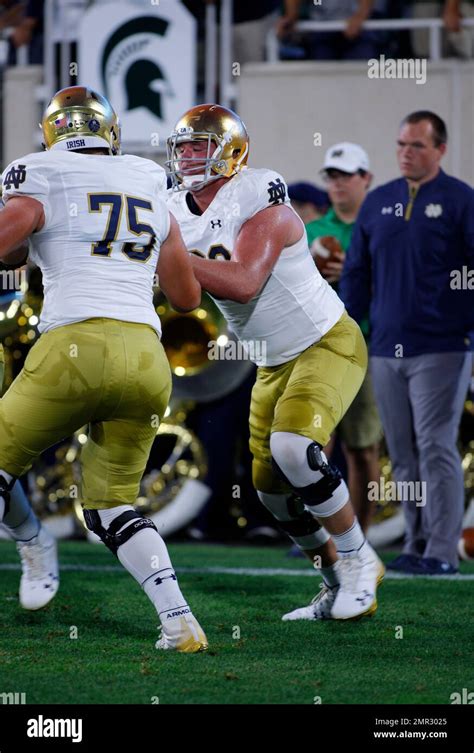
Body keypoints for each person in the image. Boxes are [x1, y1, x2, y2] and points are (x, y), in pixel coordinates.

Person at [0, 85, 207, 652]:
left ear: (53, 134)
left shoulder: (38, 172)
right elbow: (187, 296)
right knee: (111, 505)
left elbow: (6, 240)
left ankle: (35, 545)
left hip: (72, 348)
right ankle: (178, 619)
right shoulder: (145, 177)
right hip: (146, 356)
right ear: (109, 134)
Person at [166, 103, 385, 622]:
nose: (191, 157)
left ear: (231, 152)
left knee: (294, 449)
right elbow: (183, 300)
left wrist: (170, 254)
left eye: (202, 146)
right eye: (185, 148)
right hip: (271, 361)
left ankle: (360, 561)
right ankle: (333, 583)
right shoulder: (172, 206)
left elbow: (244, 280)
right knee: (272, 494)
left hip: (326, 341)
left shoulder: (262, 196)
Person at [340, 111, 474, 575]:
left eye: (416, 145)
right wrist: (344, 326)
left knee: (436, 444)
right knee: (402, 450)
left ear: (440, 149)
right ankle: (416, 544)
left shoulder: (461, 201)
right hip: (385, 347)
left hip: (443, 346)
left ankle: (441, 550)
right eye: (400, 144)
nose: (405, 153)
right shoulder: (378, 203)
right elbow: (357, 273)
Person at [305, 143, 383, 532]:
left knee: (364, 447)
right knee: (313, 444)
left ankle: (362, 536)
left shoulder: (380, 226)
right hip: (319, 347)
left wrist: (353, 273)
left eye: (345, 175)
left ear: (366, 178)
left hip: (369, 345)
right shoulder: (311, 232)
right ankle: (322, 532)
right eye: (331, 176)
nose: (336, 184)